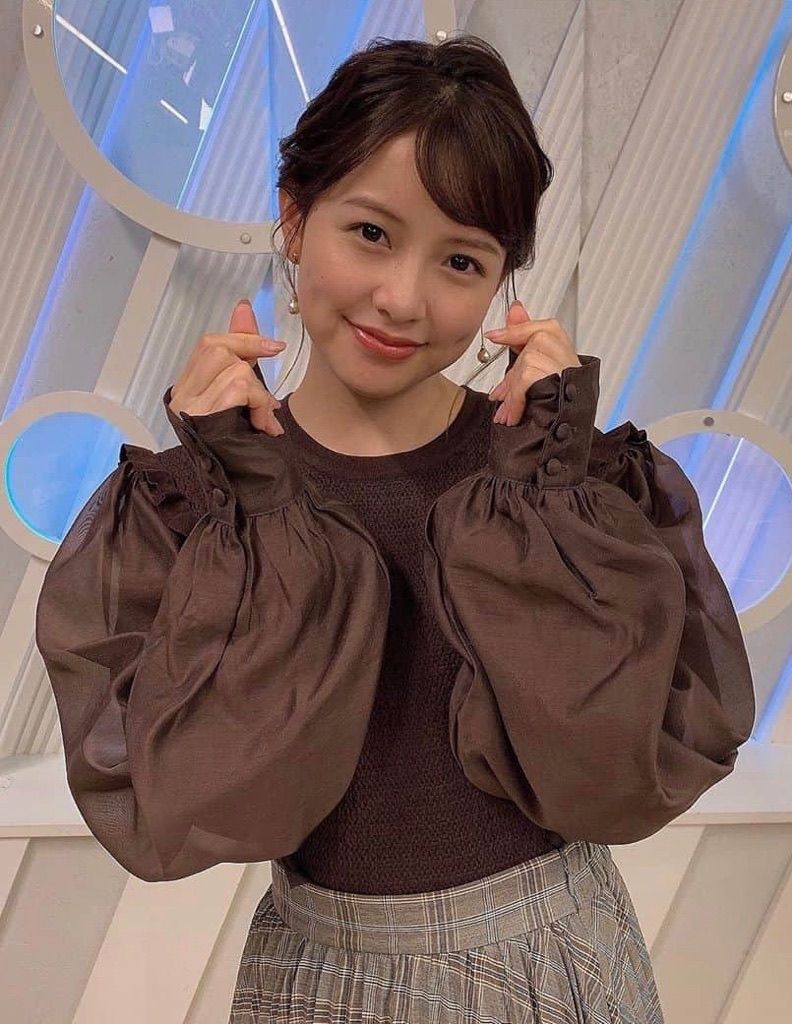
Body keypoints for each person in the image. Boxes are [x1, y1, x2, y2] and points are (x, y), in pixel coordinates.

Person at [35, 34, 755, 1024]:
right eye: (371, 232)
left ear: (502, 283)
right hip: (322, 973)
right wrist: (253, 502)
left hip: (554, 960)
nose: (404, 299)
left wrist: (545, 491)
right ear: (295, 218)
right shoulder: (190, 510)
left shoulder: (573, 489)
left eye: (460, 259)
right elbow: (189, 808)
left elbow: (619, 777)